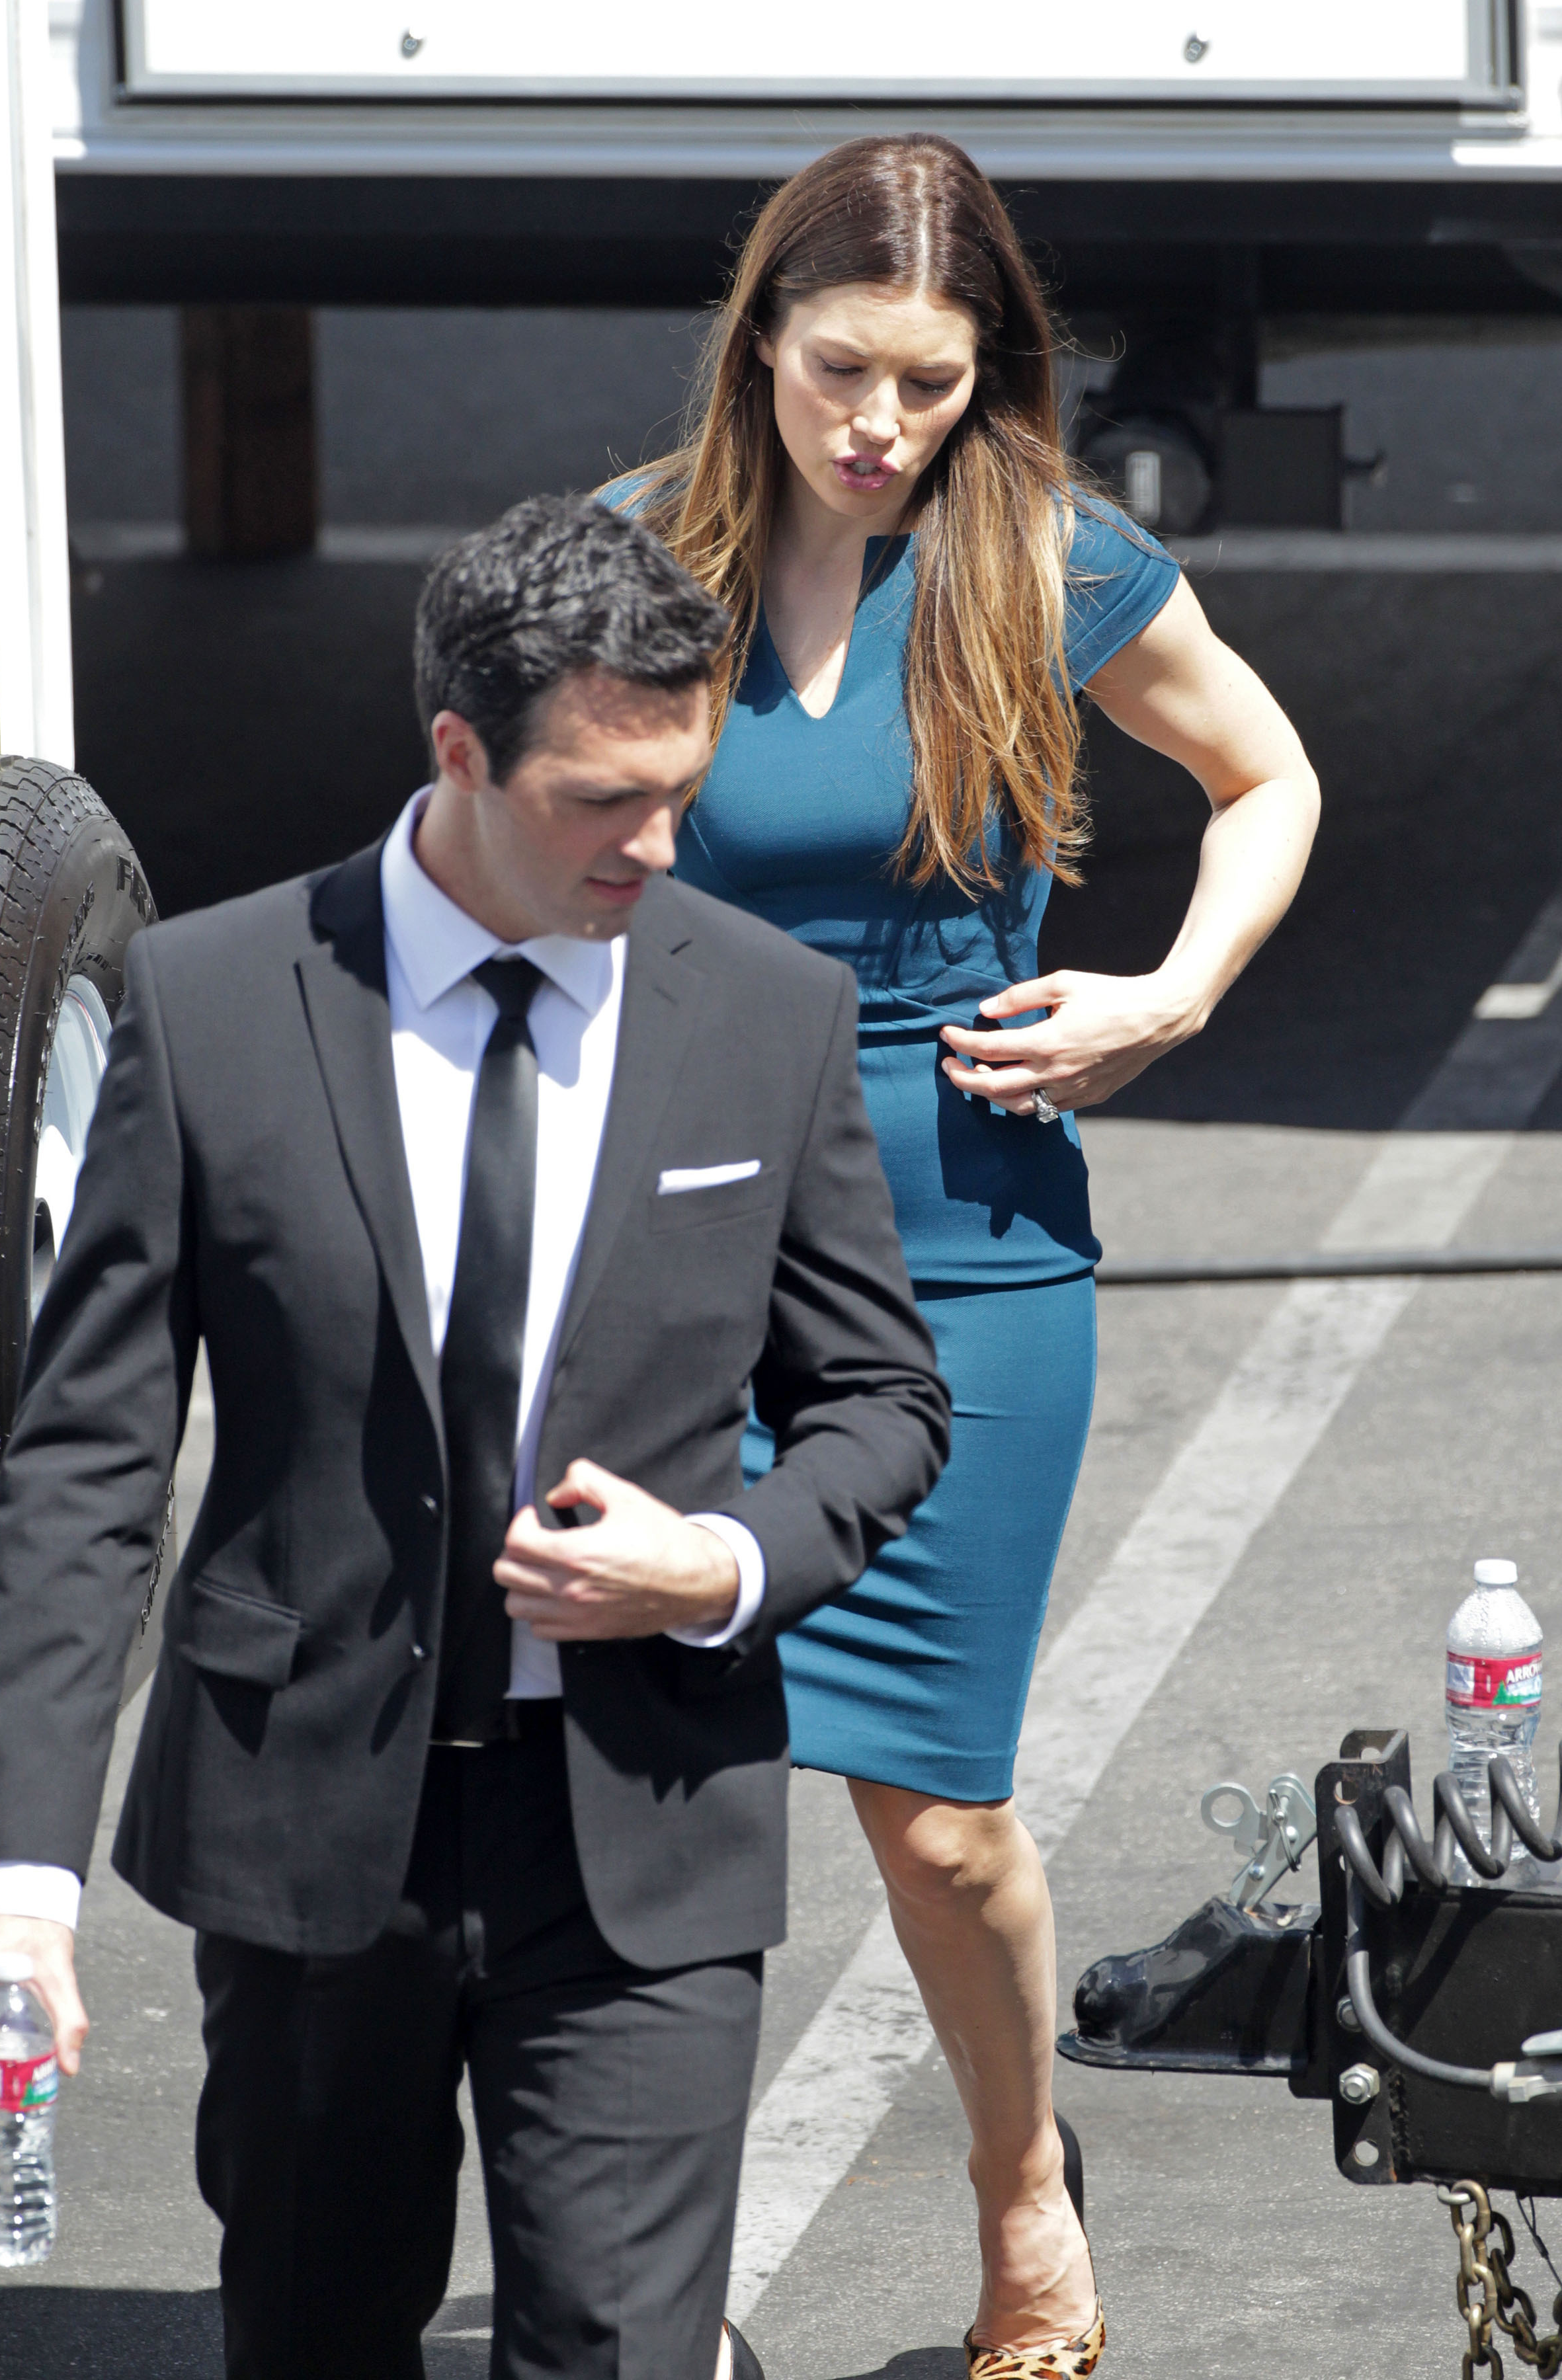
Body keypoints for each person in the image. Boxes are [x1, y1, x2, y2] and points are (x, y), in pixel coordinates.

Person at [0, 495, 952, 2380]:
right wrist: (18, 1888)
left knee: (622, 2352)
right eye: (602, 799)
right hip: (307, 1832)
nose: (654, 845)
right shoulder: (213, 1001)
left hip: (643, 1828)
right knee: (316, 2335)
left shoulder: (769, 1014)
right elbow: (89, 1463)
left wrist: (719, 1561)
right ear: (460, 754)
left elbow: (881, 1401)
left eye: (682, 791)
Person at [608, 134, 1321, 2377]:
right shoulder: (637, 555)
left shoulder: (1050, 555)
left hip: (969, 1249)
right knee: (658, 1800)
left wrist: (1169, 996)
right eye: (843, 370)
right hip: (675, 1246)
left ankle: (1024, 2186)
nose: (881, 424)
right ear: (762, 341)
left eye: (929, 382)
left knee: (936, 1828)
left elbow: (1269, 777)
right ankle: (651, 2290)